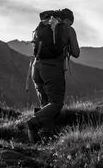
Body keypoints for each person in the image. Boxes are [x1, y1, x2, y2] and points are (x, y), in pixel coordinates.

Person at [26, 8, 80, 143]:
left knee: (45, 103)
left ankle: (45, 138)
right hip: (51, 68)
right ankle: (33, 122)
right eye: (70, 22)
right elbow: (76, 52)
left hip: (36, 67)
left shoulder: (45, 24)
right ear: (68, 20)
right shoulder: (67, 29)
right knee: (56, 103)